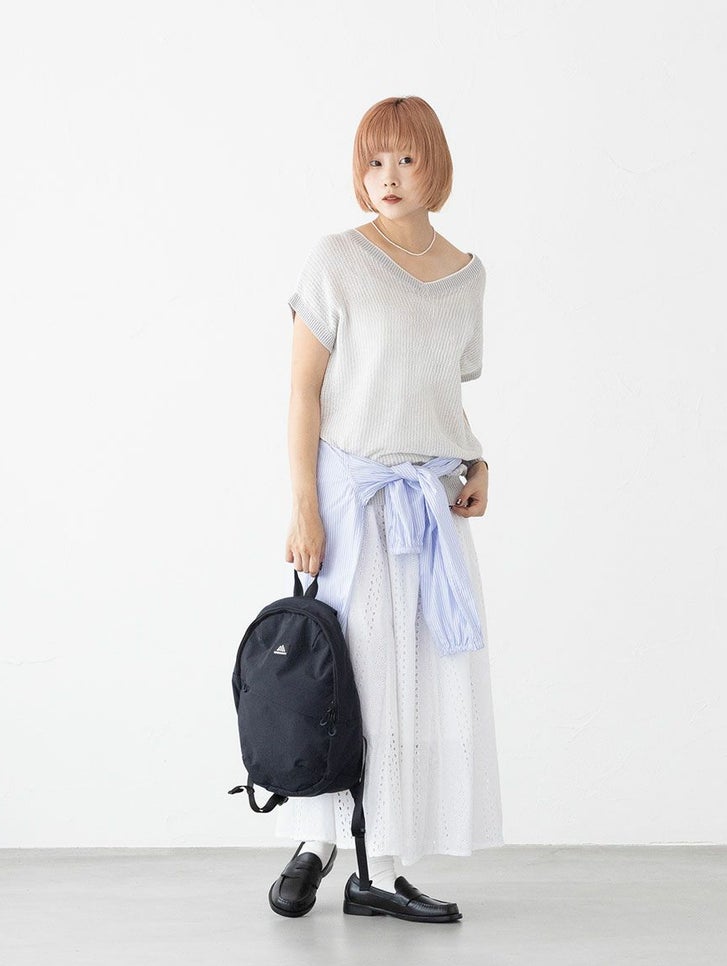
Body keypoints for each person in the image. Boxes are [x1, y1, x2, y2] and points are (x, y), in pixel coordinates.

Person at [270, 95, 504, 923]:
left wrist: (477, 461)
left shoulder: (467, 275)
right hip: (354, 496)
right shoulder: (337, 259)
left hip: (431, 501)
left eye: (406, 158)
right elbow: (303, 393)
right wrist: (305, 507)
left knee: (420, 681)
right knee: (346, 677)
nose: (388, 177)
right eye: (374, 161)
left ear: (435, 165)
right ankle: (319, 843)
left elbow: (436, 391)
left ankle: (388, 862)